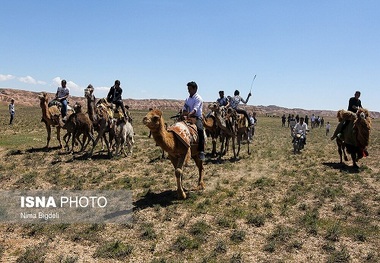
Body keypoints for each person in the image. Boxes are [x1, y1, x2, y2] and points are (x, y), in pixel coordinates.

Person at [183, 81, 205, 161]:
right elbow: (184, 108)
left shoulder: (198, 98)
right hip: (187, 117)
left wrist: (189, 114)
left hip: (196, 118)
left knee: (200, 130)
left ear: (195, 89)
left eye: (190, 89)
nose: (188, 91)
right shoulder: (187, 99)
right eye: (188, 89)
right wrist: (184, 113)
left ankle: (201, 151)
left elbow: (195, 110)